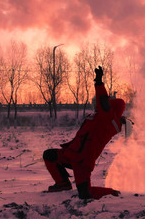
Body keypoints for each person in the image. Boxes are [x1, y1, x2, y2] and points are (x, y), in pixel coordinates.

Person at [43, 66, 126, 199]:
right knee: (49, 155)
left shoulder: (108, 119)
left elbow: (103, 102)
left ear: (112, 108)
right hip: (71, 154)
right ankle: (62, 183)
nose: (97, 105)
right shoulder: (99, 117)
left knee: (85, 193)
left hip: (83, 161)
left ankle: (111, 193)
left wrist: (98, 82)